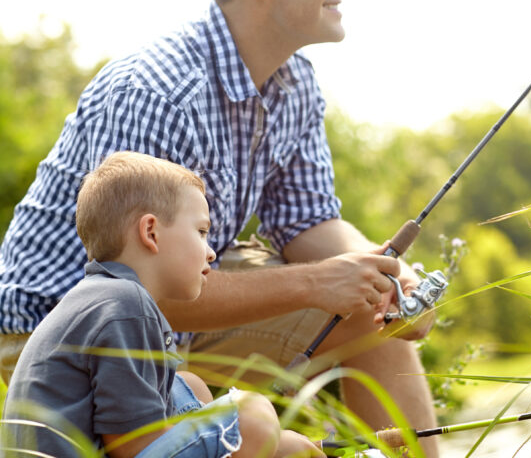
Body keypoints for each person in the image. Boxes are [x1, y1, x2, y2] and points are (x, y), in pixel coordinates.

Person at [0, 0, 439, 455]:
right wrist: (319, 282)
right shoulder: (159, 91)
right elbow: (138, 283)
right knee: (259, 435)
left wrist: (386, 272)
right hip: (71, 332)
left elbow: (308, 221)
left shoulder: (296, 85)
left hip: (169, 311)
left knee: (373, 310)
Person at [2, 151, 323, 457]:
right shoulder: (126, 305)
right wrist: (268, 442)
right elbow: (131, 446)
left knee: (190, 387)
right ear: (151, 232)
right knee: (253, 418)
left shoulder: (103, 296)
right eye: (201, 232)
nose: (210, 252)